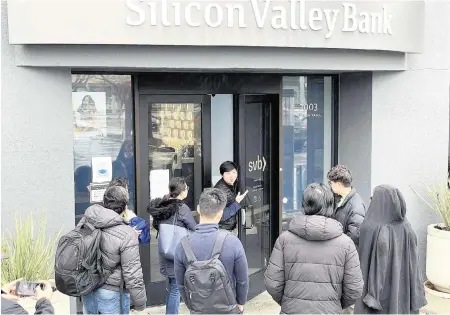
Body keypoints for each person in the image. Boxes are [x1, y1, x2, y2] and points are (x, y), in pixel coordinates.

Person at [264, 183, 363, 314]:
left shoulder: (284, 239)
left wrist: (290, 302)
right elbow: (354, 288)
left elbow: (273, 283)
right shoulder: (346, 243)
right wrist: (334, 304)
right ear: (330, 206)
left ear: (304, 205)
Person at [174, 188, 249, 314]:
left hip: (198, 310)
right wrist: (240, 303)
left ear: (198, 209)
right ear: (221, 213)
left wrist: (192, 306)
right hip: (228, 309)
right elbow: (242, 280)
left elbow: (181, 284)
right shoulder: (232, 242)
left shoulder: (182, 245)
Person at [355, 185, 427, 314]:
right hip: (403, 291)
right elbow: (415, 265)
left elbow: (367, 264)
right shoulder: (407, 227)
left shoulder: (371, 227)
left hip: (376, 296)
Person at [81, 186, 147, 314]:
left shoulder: (88, 220)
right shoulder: (127, 234)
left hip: (88, 288)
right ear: (125, 207)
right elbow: (132, 273)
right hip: (111, 292)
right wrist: (140, 302)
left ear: (105, 203)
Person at [147, 177, 197, 315]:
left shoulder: (163, 206)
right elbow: (193, 227)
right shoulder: (182, 208)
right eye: (187, 188)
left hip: (165, 249)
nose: (187, 190)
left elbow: (157, 226)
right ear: (182, 191)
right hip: (177, 251)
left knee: (171, 286)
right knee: (176, 288)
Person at [327, 164, 366, 246]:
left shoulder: (356, 207)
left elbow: (353, 238)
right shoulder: (338, 198)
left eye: (331, 183)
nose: (330, 186)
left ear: (338, 184)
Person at [106, 178, 150, 245]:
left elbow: (144, 238)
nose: (128, 194)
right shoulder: (106, 214)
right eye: (126, 191)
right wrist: (129, 234)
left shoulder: (126, 211)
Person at [214, 161, 248, 232]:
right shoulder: (220, 191)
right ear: (222, 174)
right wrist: (237, 202)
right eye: (228, 173)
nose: (232, 176)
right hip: (223, 230)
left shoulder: (232, 183)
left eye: (234, 172)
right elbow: (220, 216)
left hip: (232, 226)